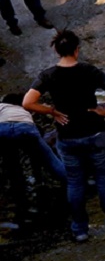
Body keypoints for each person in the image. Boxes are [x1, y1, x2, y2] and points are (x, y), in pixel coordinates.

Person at [22, 30, 105, 242]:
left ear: (56, 51)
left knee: (75, 182)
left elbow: (27, 103)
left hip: (68, 136)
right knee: (103, 177)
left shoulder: (48, 75)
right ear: (77, 50)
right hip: (95, 131)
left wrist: (51, 111)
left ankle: (80, 229)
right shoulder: (89, 70)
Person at [1, 93, 67, 225]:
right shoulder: (24, 110)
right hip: (25, 128)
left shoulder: (2, 106)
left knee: (12, 166)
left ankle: (20, 197)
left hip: (2, 129)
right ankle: (72, 181)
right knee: (51, 161)